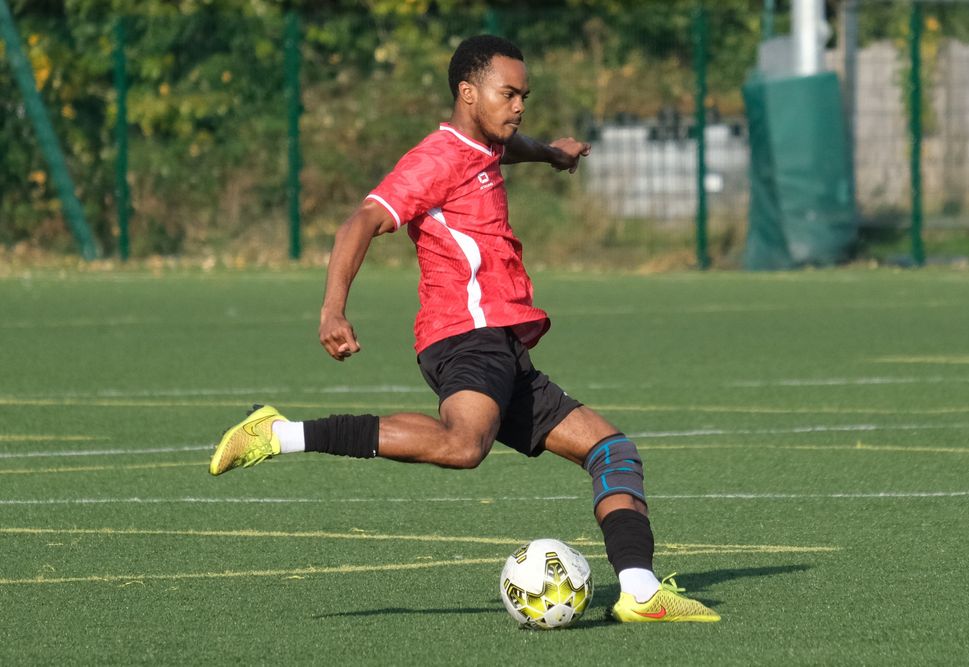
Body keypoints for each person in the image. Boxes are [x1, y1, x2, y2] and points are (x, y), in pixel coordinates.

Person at [210, 34, 719, 624]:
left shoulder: (486, 144)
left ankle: (639, 592)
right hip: (465, 333)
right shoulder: (436, 158)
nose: (519, 106)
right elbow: (363, 219)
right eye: (509, 94)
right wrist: (332, 309)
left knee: (613, 452)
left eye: (525, 95)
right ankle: (279, 433)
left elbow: (508, 147)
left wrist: (551, 154)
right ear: (468, 93)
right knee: (462, 445)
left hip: (501, 342)